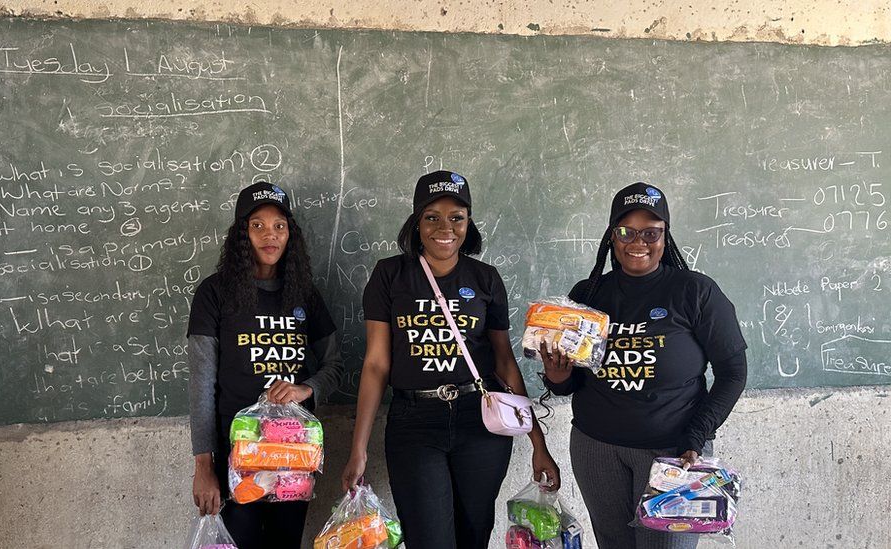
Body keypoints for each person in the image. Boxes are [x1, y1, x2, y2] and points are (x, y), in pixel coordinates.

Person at [341, 170, 560, 549]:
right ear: (416, 223)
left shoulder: (485, 278)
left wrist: (538, 444)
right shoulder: (390, 275)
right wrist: (358, 449)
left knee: (473, 534)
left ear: (468, 222)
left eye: (457, 217)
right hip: (414, 424)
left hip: (480, 422)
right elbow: (376, 364)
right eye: (432, 217)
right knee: (429, 539)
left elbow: (505, 363)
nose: (446, 227)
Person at [539, 182, 748, 549]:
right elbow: (573, 382)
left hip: (675, 453)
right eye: (626, 231)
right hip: (596, 449)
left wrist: (696, 436)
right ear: (611, 237)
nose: (639, 242)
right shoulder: (586, 296)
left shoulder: (695, 291)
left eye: (651, 232)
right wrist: (558, 378)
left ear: (665, 236)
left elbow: (733, 372)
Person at [186, 182, 344, 548]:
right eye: (257, 225)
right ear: (242, 234)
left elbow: (334, 363)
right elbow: (201, 385)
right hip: (238, 451)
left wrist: (307, 389)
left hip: (295, 450)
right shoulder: (214, 294)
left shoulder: (305, 293)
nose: (269, 235)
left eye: (279, 226)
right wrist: (204, 466)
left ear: (291, 233)